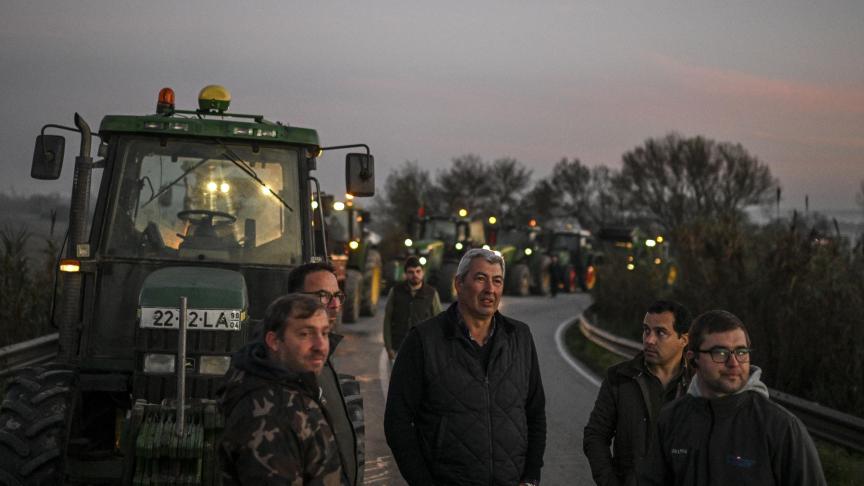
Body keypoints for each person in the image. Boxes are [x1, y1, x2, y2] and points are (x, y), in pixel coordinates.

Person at [384, 248, 547, 486]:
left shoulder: (520, 337)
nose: (490, 289)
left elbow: (535, 413)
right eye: (480, 279)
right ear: (458, 284)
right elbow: (397, 421)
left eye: (497, 280)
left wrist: (531, 477)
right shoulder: (423, 340)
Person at [639, 310, 827, 485]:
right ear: (693, 358)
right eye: (720, 353)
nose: (734, 363)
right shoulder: (671, 420)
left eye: (741, 352)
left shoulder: (781, 428)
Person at [219, 294, 345, 485]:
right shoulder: (271, 415)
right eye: (305, 334)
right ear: (274, 341)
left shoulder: (292, 387)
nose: (320, 346)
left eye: (324, 333)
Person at [583, 300, 692, 486]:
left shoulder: (698, 385)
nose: (649, 340)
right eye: (646, 330)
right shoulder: (619, 378)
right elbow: (595, 436)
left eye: (661, 332)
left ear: (683, 339)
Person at [286, 262, 359, 486]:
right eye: (323, 296)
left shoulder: (321, 354)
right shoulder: (284, 364)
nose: (335, 305)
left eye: (337, 295)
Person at [382, 256, 442, 360]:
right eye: (411, 272)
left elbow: (439, 322)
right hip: (399, 348)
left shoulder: (431, 293)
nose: (415, 275)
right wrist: (388, 347)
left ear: (423, 273)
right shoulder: (396, 291)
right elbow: (388, 319)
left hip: (423, 348)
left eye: (418, 271)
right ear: (405, 274)